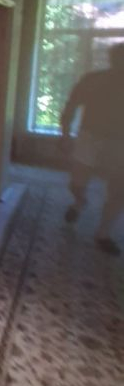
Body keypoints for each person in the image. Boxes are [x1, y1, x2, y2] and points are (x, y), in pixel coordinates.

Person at [60, 42, 124, 253]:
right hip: (90, 137)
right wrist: (65, 134)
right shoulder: (93, 80)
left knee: (118, 189)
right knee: (76, 183)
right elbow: (71, 105)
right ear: (112, 59)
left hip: (119, 142)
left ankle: (103, 234)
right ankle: (80, 202)